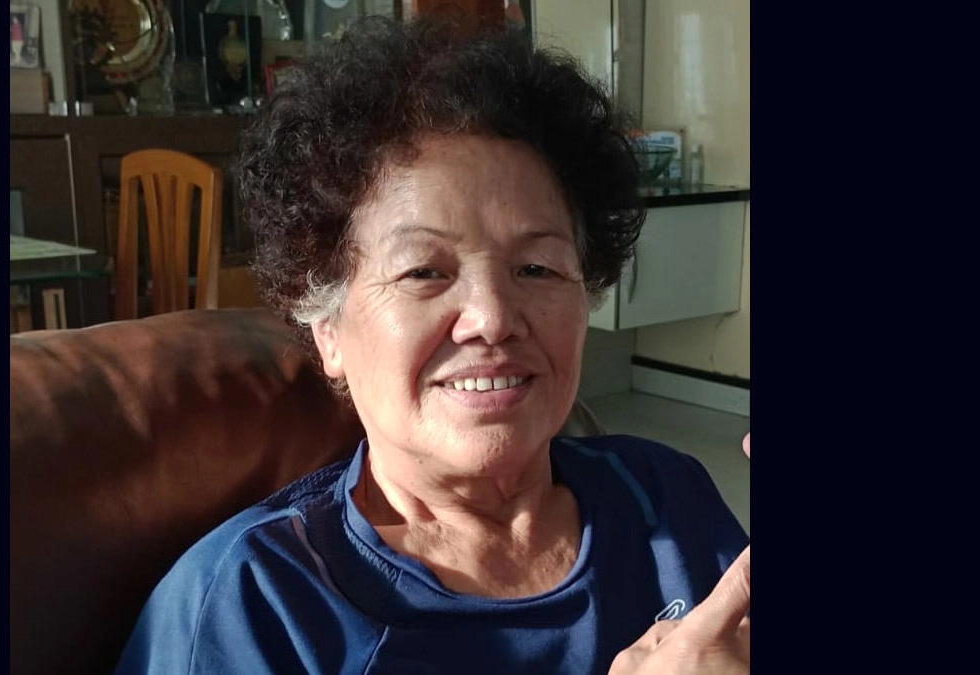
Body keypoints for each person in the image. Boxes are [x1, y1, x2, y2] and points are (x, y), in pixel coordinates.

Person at [114, 16, 749, 674]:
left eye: (537, 268)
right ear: (328, 327)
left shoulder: (664, 498)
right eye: (424, 272)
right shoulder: (251, 604)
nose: (492, 318)